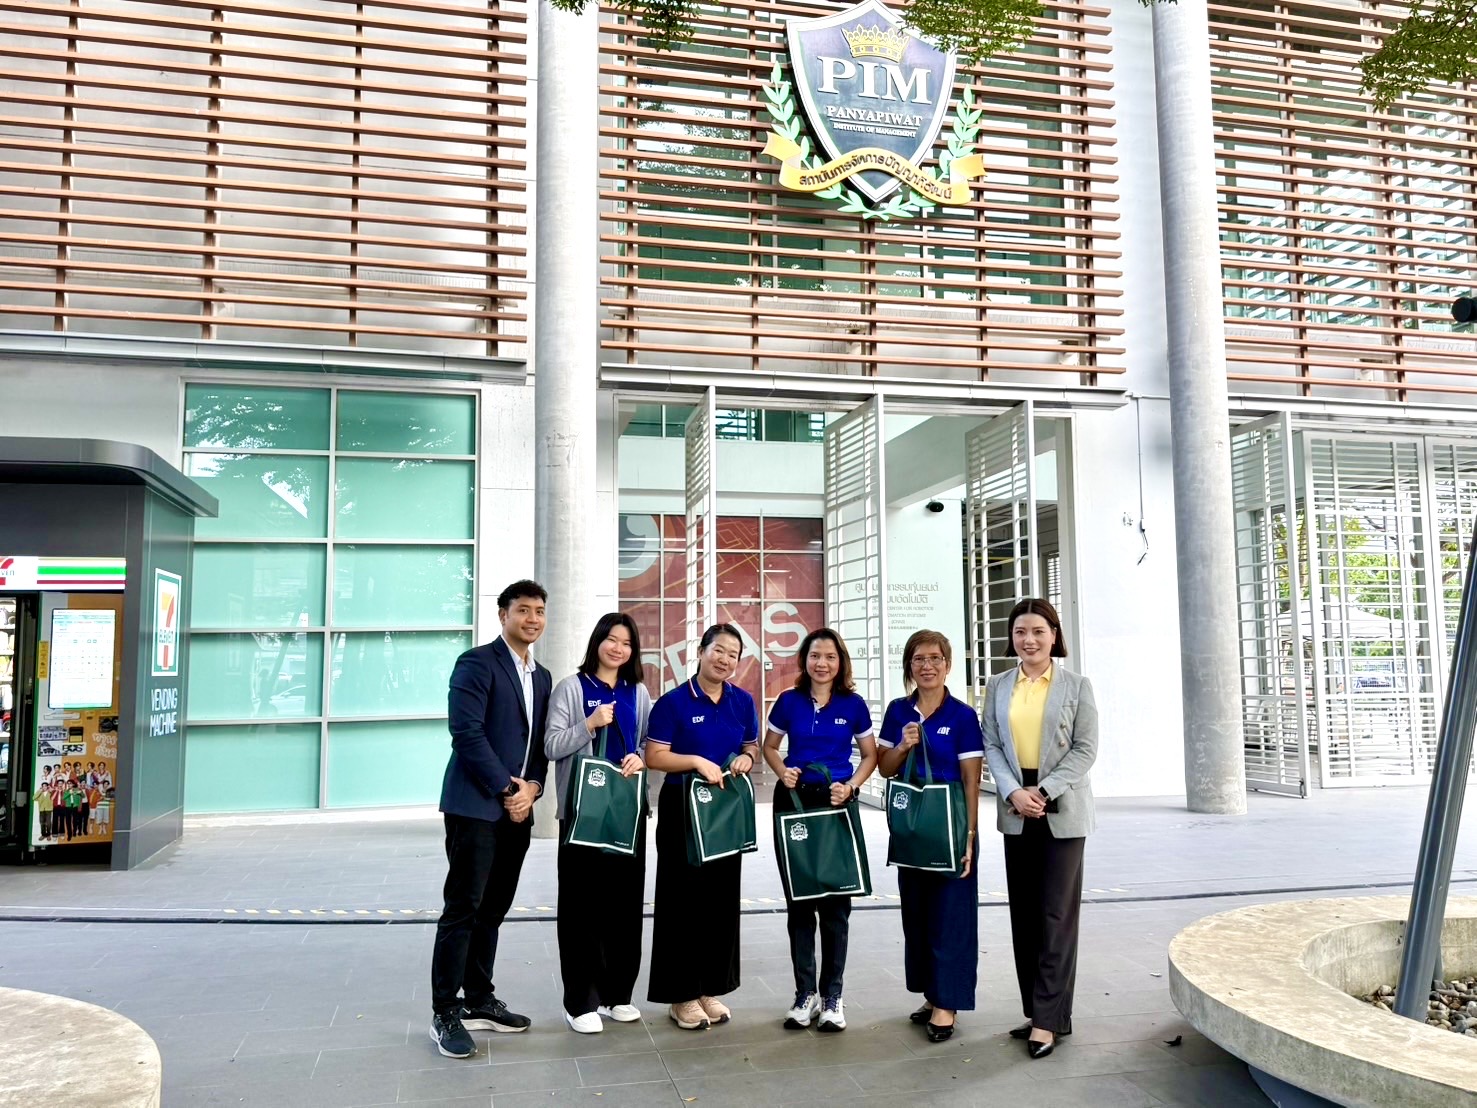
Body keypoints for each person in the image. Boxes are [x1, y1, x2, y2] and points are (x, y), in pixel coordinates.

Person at [429, 580, 552, 1060]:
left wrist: (533, 788)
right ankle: (445, 1011)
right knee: (463, 908)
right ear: (503, 615)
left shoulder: (541, 676)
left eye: (539, 611)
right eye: (523, 610)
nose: (532, 619)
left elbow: (537, 745)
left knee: (494, 908)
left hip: (518, 810)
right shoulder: (476, 663)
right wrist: (507, 789)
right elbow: (466, 733)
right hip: (476, 806)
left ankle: (479, 998)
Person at [982, 597, 1098, 1060]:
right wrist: (1013, 791)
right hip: (1016, 807)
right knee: (1025, 916)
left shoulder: (1076, 685)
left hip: (1060, 807)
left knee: (1055, 916)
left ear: (1054, 636)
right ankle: (1040, 1012)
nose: (1028, 640)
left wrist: (1043, 791)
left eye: (1037, 631)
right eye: (1020, 632)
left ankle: (1048, 1021)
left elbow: (1086, 749)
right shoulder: (998, 685)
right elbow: (991, 743)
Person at [645, 623, 760, 1031]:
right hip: (683, 809)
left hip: (725, 809)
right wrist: (695, 761)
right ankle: (681, 995)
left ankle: (709, 987)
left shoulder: (742, 701)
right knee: (681, 902)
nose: (725, 659)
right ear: (701, 651)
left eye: (733, 654)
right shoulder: (673, 702)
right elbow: (655, 756)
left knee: (719, 902)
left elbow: (751, 744)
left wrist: (747, 758)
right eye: (718, 650)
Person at [761, 628, 876, 1032]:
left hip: (836, 804)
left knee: (836, 906)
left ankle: (832, 997)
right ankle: (804, 994)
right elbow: (769, 746)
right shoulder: (788, 701)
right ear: (804, 660)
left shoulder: (853, 705)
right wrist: (782, 771)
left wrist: (852, 786)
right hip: (794, 805)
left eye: (829, 656)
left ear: (840, 662)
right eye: (815, 656)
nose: (822, 663)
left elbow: (870, 755)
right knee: (799, 903)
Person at [545, 612, 653, 1034]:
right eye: (612, 640)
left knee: (624, 907)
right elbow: (552, 745)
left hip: (626, 814)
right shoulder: (572, 688)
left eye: (626, 643)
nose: (618, 649)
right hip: (584, 815)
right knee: (581, 909)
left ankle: (616, 995)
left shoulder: (637, 692)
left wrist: (640, 758)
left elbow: (648, 743)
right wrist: (588, 725)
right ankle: (580, 1002)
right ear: (597, 642)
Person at [876, 629, 982, 1044]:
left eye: (935, 658)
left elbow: (971, 780)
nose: (927, 666)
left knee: (951, 915)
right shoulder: (898, 711)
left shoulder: (962, 716)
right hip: (913, 828)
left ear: (947, 665)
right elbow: (885, 767)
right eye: (919, 659)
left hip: (950, 826)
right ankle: (931, 992)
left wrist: (969, 835)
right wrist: (902, 745)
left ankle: (947, 1003)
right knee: (917, 916)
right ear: (909, 666)